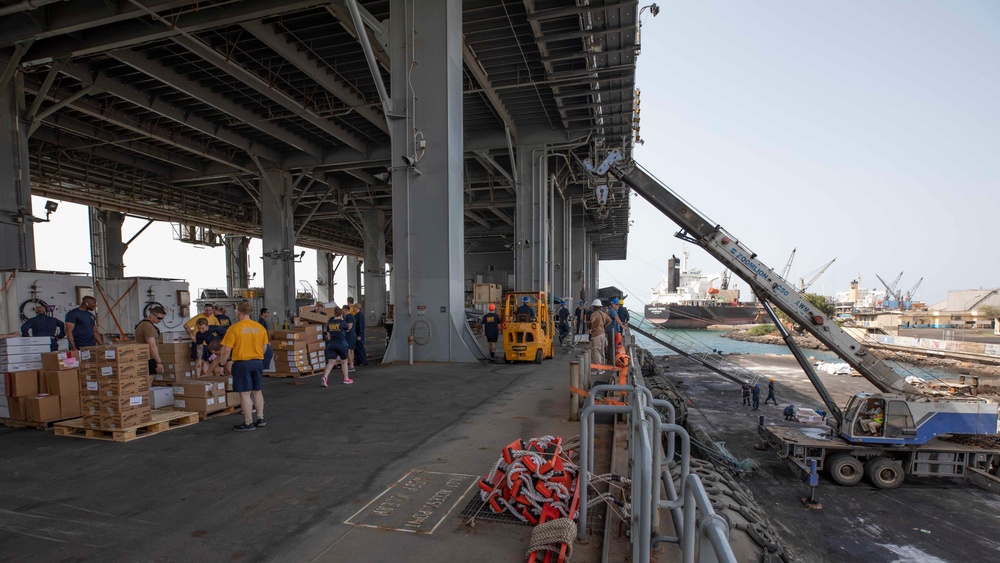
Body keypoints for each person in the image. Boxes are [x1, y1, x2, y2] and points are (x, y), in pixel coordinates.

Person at [217, 301, 269, 431]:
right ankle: (260, 418)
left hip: (242, 363)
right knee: (257, 391)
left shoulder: (234, 328)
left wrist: (222, 364)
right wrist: (256, 356)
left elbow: (226, 350)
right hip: (257, 362)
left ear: (238, 312)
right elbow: (264, 347)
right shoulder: (259, 328)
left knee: (245, 393)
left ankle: (248, 422)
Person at [321, 306, 352, 386]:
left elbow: (328, 335)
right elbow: (347, 329)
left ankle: (325, 377)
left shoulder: (330, 323)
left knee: (331, 362)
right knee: (344, 362)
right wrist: (342, 320)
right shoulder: (342, 322)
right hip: (341, 343)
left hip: (332, 344)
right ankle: (346, 379)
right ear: (341, 314)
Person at [135, 306, 166, 381]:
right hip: (148, 357)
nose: (160, 320)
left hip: (145, 356)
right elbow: (151, 345)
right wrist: (159, 362)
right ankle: (146, 392)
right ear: (152, 315)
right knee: (149, 378)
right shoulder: (148, 326)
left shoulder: (143, 324)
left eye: (162, 318)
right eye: (159, 318)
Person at [588, 299, 611, 366]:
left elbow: (591, 321)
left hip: (596, 334)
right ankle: (603, 367)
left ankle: (598, 369)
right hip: (602, 334)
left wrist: (590, 329)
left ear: (594, 306)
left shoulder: (594, 314)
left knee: (596, 351)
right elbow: (610, 321)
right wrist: (604, 326)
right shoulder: (603, 314)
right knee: (602, 351)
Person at [343, 305, 357, 371]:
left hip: (349, 335)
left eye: (343, 310)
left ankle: (351, 365)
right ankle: (352, 364)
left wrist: (342, 329)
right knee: (351, 350)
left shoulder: (349, 317)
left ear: (345, 309)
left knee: (348, 350)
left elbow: (349, 327)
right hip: (352, 335)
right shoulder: (351, 316)